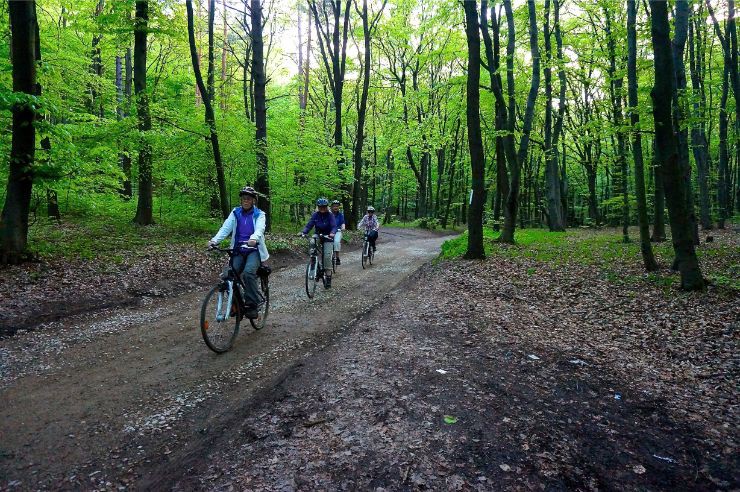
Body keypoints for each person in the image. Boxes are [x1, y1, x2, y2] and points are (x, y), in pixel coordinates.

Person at [208, 186, 269, 319]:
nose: (246, 200)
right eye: (243, 198)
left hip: (254, 250)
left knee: (248, 273)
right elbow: (226, 228)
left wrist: (253, 239)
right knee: (230, 276)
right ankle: (236, 304)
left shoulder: (259, 214)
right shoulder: (236, 212)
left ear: (253, 200)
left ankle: (252, 305)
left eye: (249, 198)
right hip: (238, 250)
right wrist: (214, 241)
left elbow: (260, 229)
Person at [300, 198, 336, 288]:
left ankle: (328, 277)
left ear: (326, 207)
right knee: (312, 241)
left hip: (328, 237)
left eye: (324, 207)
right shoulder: (315, 215)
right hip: (318, 235)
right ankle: (313, 260)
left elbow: (334, 226)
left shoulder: (330, 215)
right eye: (320, 207)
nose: (322, 208)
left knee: (327, 257)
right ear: (318, 207)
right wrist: (304, 232)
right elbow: (309, 225)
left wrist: (332, 233)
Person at [330, 200, 346, 265]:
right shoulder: (329, 214)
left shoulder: (340, 215)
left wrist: (343, 228)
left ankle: (337, 257)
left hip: (337, 231)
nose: (335, 207)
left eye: (337, 206)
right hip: (329, 231)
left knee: (336, 242)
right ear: (331, 207)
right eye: (334, 206)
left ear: (339, 207)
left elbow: (343, 223)